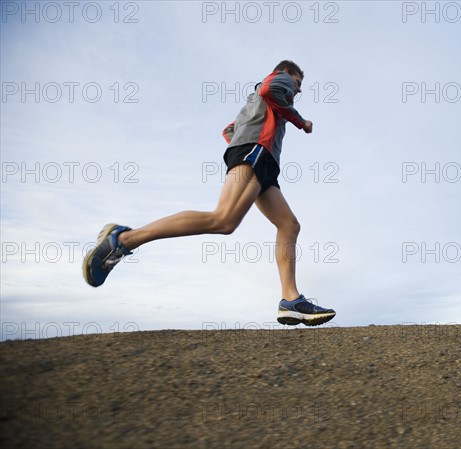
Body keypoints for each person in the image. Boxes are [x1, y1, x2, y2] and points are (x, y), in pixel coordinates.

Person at [83, 60, 336, 327]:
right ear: (287, 74)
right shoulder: (279, 80)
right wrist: (300, 122)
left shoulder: (261, 107)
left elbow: (229, 131)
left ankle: (290, 300)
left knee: (289, 225)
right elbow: (268, 90)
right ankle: (123, 239)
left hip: (262, 161)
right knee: (223, 220)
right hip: (255, 153)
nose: (297, 91)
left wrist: (242, 144)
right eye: (297, 84)